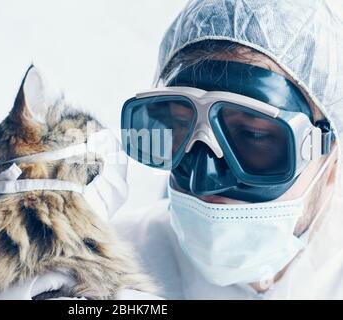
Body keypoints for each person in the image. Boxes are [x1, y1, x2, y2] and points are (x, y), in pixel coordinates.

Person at [113, 0, 343, 299]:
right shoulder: (112, 267)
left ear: (331, 160)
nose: (202, 179)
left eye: (253, 135)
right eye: (180, 126)